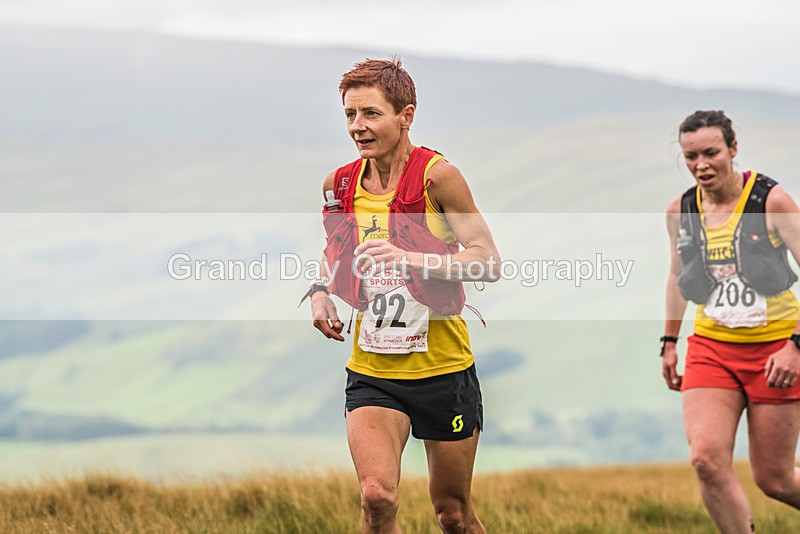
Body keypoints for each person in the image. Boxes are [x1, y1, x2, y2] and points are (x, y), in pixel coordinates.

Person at [306, 58, 499, 533]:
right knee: (376, 498)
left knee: (452, 514)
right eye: (350, 114)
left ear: (405, 115)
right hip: (372, 369)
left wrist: (411, 260)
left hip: (443, 371)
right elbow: (336, 252)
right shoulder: (341, 184)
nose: (357, 127)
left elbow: (487, 261)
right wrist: (319, 291)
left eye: (371, 114)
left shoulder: (439, 177)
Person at [663, 110, 800, 533]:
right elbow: (676, 273)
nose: (701, 164)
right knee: (705, 459)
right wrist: (669, 341)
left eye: (710, 153)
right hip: (711, 347)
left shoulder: (770, 201)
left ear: (733, 149)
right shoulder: (681, 210)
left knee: (774, 479)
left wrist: (796, 346)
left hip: (777, 348)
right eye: (690, 156)